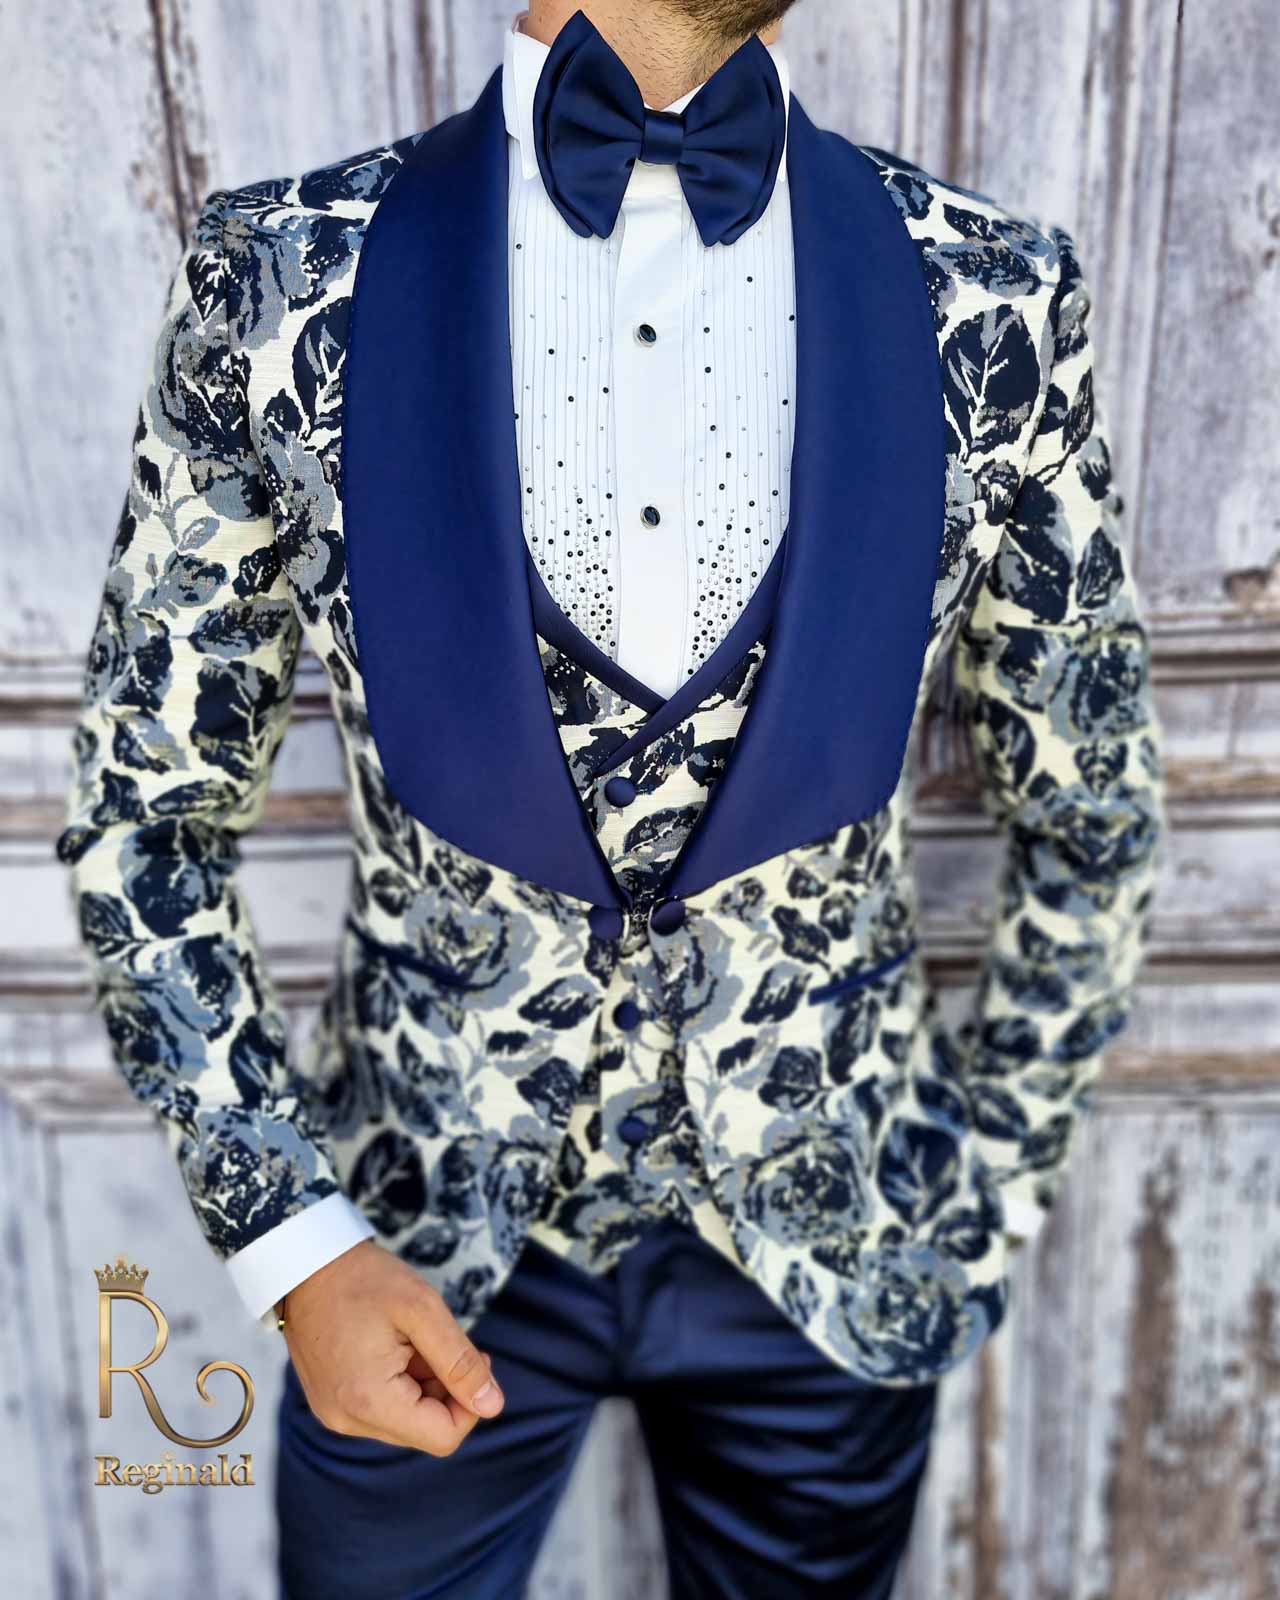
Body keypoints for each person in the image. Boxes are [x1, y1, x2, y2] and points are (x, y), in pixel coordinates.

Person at [55, 2, 1168, 1594]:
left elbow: (1095, 810)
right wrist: (296, 1247)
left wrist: (973, 1196)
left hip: (836, 1246)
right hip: (406, 1235)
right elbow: (146, 810)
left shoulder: (989, 291)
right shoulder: (281, 277)